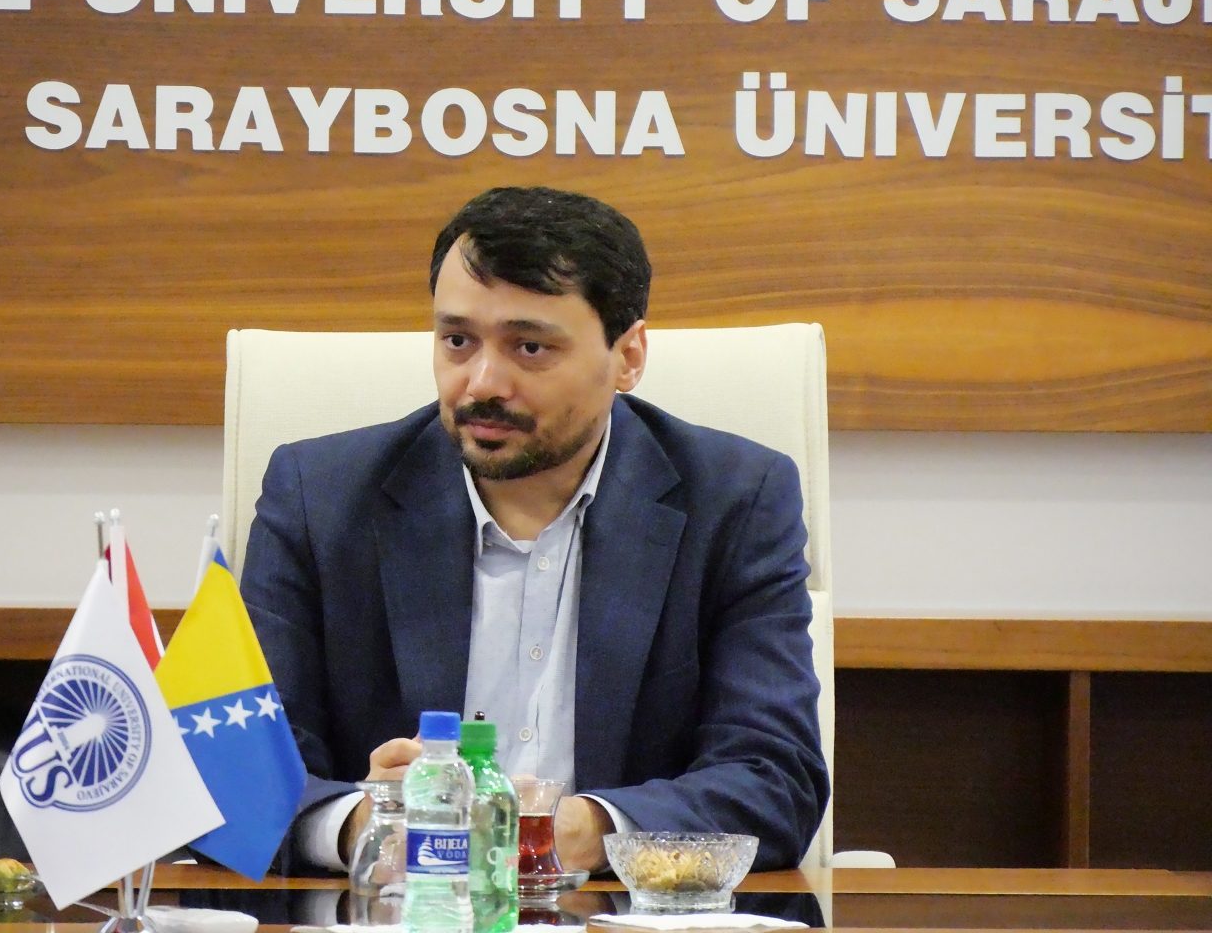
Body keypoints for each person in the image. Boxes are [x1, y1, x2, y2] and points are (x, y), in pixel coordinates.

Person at [241, 186, 829, 875]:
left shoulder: (733, 502)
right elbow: (235, 768)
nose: (483, 383)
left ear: (628, 356)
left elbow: (773, 776)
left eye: (529, 346)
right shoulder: (319, 498)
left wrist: (580, 830)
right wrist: (363, 826)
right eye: (458, 341)